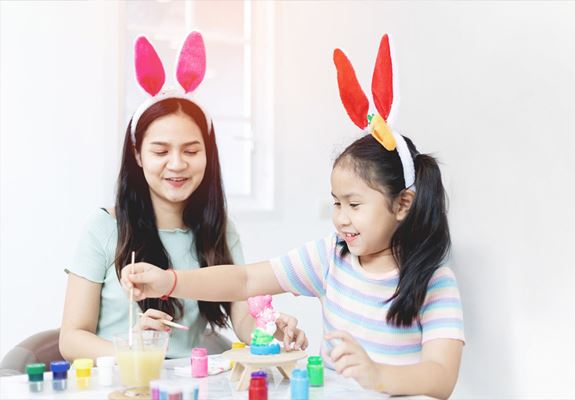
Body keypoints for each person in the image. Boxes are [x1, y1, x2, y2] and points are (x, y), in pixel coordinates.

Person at [119, 35, 464, 398]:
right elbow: (245, 280)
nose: (341, 219)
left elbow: (441, 377)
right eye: (336, 204)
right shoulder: (331, 257)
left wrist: (377, 375)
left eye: (354, 205)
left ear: (403, 204)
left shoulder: (434, 281)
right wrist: (169, 281)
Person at [59, 31, 306, 361]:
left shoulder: (220, 230)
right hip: (120, 381)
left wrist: (271, 329)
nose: (177, 164)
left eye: (191, 150)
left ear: (208, 154)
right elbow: (71, 339)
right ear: (137, 154)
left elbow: (243, 320)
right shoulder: (104, 227)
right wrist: (133, 351)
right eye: (161, 151)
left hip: (190, 383)